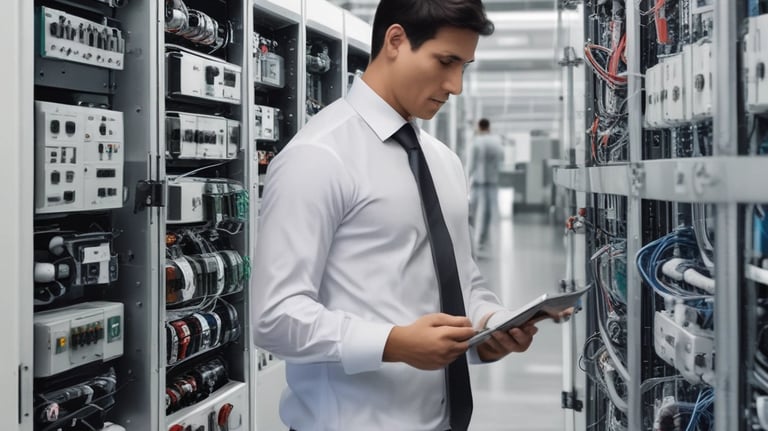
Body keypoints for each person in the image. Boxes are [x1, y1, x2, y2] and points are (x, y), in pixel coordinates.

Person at [251, 1, 540, 430]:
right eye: (446, 61)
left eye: (465, 65)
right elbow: (274, 318)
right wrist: (393, 343)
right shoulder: (319, 157)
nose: (456, 85)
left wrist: (490, 328)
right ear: (396, 41)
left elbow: (462, 281)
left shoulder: (444, 161)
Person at [468, 118, 504, 255]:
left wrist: (466, 181)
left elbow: (471, 165)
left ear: (479, 127)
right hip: (492, 182)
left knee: (473, 212)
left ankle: (473, 242)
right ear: (489, 127)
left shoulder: (476, 142)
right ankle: (483, 240)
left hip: (478, 182)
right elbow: (501, 158)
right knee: (488, 212)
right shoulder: (496, 142)